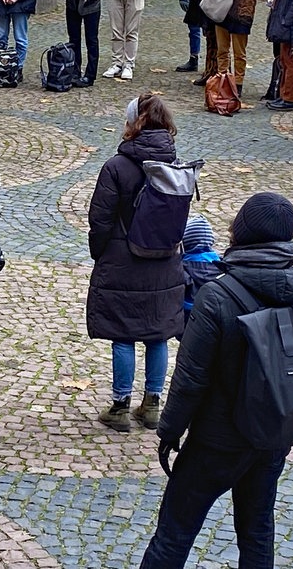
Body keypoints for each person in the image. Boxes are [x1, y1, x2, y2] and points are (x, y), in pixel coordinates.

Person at [142, 193, 293, 568]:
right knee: (257, 533)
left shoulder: (217, 295)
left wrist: (169, 433)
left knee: (174, 535)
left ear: (241, 231)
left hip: (216, 440)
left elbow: (191, 378)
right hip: (272, 434)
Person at [88, 95, 187, 432]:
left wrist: (100, 253)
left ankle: (119, 406)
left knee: (124, 334)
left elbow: (100, 219)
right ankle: (152, 404)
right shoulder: (176, 166)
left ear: (135, 122)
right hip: (166, 261)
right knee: (158, 334)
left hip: (123, 260)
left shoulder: (117, 166)